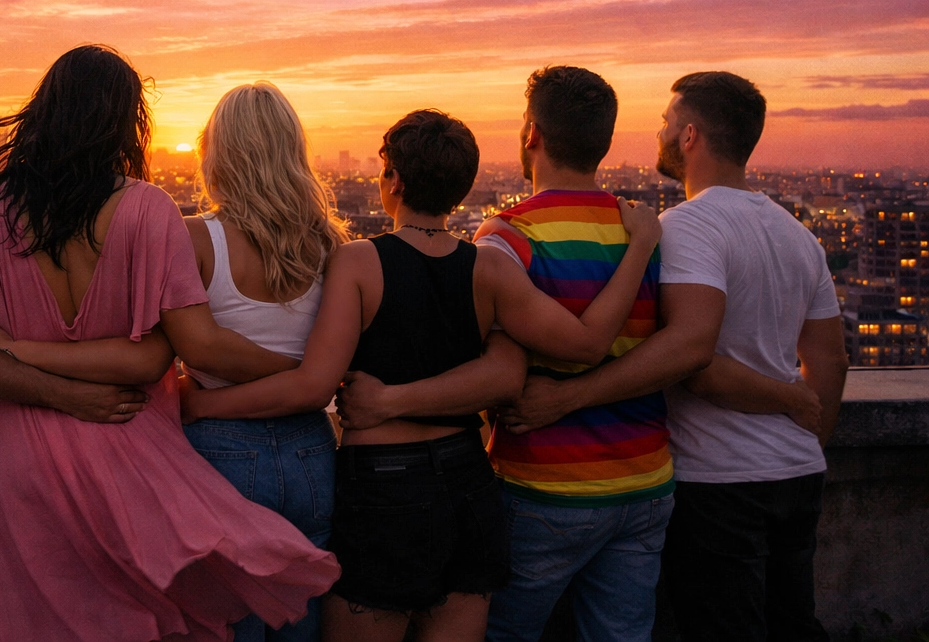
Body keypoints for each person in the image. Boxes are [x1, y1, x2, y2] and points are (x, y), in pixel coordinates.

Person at [189, 107, 660, 642]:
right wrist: (640, 244)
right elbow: (589, 343)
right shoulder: (489, 266)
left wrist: (201, 404)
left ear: (392, 179)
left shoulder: (359, 262)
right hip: (468, 481)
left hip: (384, 488)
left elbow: (314, 385)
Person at [0, 45, 340, 642]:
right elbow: (156, 355)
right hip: (129, 446)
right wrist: (308, 370)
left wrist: (19, 348)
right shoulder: (149, 210)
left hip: (14, 453)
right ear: (128, 121)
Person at [449, 67, 722, 642]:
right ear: (602, 142)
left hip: (545, 484)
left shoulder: (508, 237)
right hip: (645, 480)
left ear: (532, 134)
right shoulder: (641, 230)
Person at [654, 72, 848, 641]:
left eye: (666, 122)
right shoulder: (797, 234)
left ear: (690, 136)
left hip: (718, 479)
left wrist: (790, 401)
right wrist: (805, 435)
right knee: (793, 625)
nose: (659, 131)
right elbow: (830, 360)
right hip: (797, 472)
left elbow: (694, 362)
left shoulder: (687, 227)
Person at [167, 82, 347, 642]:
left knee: (228, 619)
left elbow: (189, 347)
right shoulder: (331, 247)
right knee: (302, 613)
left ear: (216, 153)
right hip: (312, 448)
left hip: (218, 444)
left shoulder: (197, 238)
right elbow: (328, 369)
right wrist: (307, 376)